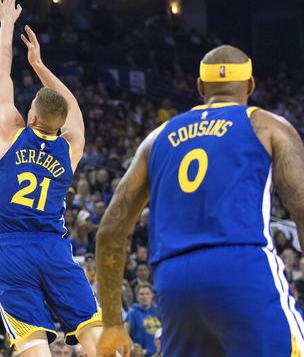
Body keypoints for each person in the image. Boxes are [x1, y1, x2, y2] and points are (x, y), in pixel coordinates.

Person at [95, 45, 304, 357]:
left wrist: (112, 324)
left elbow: (109, 232)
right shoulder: (268, 126)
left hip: (174, 283)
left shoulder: (156, 138)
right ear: (250, 85)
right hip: (241, 269)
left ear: (199, 87)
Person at [0, 0, 100, 356]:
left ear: (31, 116)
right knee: (94, 337)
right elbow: (74, 111)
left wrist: (7, 25)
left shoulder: (11, 130)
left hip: (12, 249)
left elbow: (0, 77)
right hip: (54, 247)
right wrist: (39, 65)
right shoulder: (71, 147)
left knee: (33, 345)